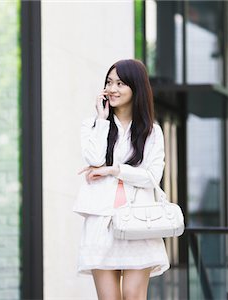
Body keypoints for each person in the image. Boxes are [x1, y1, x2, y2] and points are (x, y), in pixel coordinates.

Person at [73, 59, 170, 300]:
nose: (112, 88)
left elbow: (151, 177)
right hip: (101, 223)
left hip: (139, 223)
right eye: (109, 82)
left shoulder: (151, 132)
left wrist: (113, 170)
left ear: (136, 88)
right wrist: (102, 120)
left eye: (120, 83)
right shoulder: (93, 125)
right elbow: (95, 158)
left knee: (132, 295)